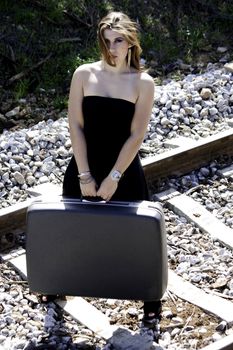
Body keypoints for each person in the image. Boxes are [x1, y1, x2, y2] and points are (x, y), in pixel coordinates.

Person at [62, 11, 162, 329]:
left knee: (137, 237)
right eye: (107, 42)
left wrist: (114, 177)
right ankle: (57, 286)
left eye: (118, 40)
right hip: (84, 166)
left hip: (125, 170)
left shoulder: (143, 83)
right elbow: (75, 126)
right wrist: (85, 175)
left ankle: (150, 301)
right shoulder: (83, 74)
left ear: (131, 40)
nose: (113, 48)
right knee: (71, 231)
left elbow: (137, 135)